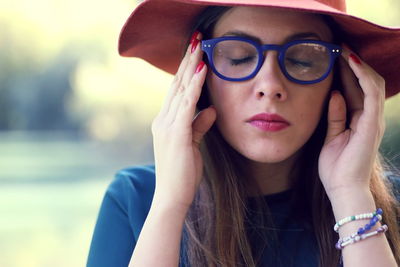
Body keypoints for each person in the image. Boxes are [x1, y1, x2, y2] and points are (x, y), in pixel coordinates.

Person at [87, 0, 400, 266]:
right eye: (238, 56)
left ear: (339, 79)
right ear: (199, 74)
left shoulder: (389, 204)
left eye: (303, 58)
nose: (270, 86)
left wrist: (350, 194)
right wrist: (170, 203)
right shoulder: (134, 199)